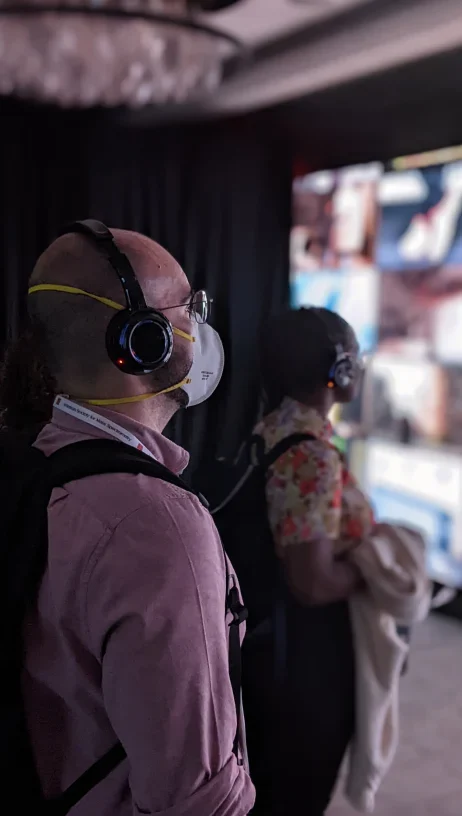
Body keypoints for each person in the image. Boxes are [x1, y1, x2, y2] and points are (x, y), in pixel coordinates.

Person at [0, 222, 254, 816]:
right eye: (189, 308)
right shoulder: (152, 523)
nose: (201, 324)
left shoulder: (31, 462)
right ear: (143, 342)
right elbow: (196, 802)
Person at [243, 306, 374, 816]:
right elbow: (313, 582)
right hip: (307, 664)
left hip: (281, 654)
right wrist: (376, 567)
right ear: (339, 371)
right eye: (356, 357)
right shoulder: (311, 457)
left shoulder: (273, 430)